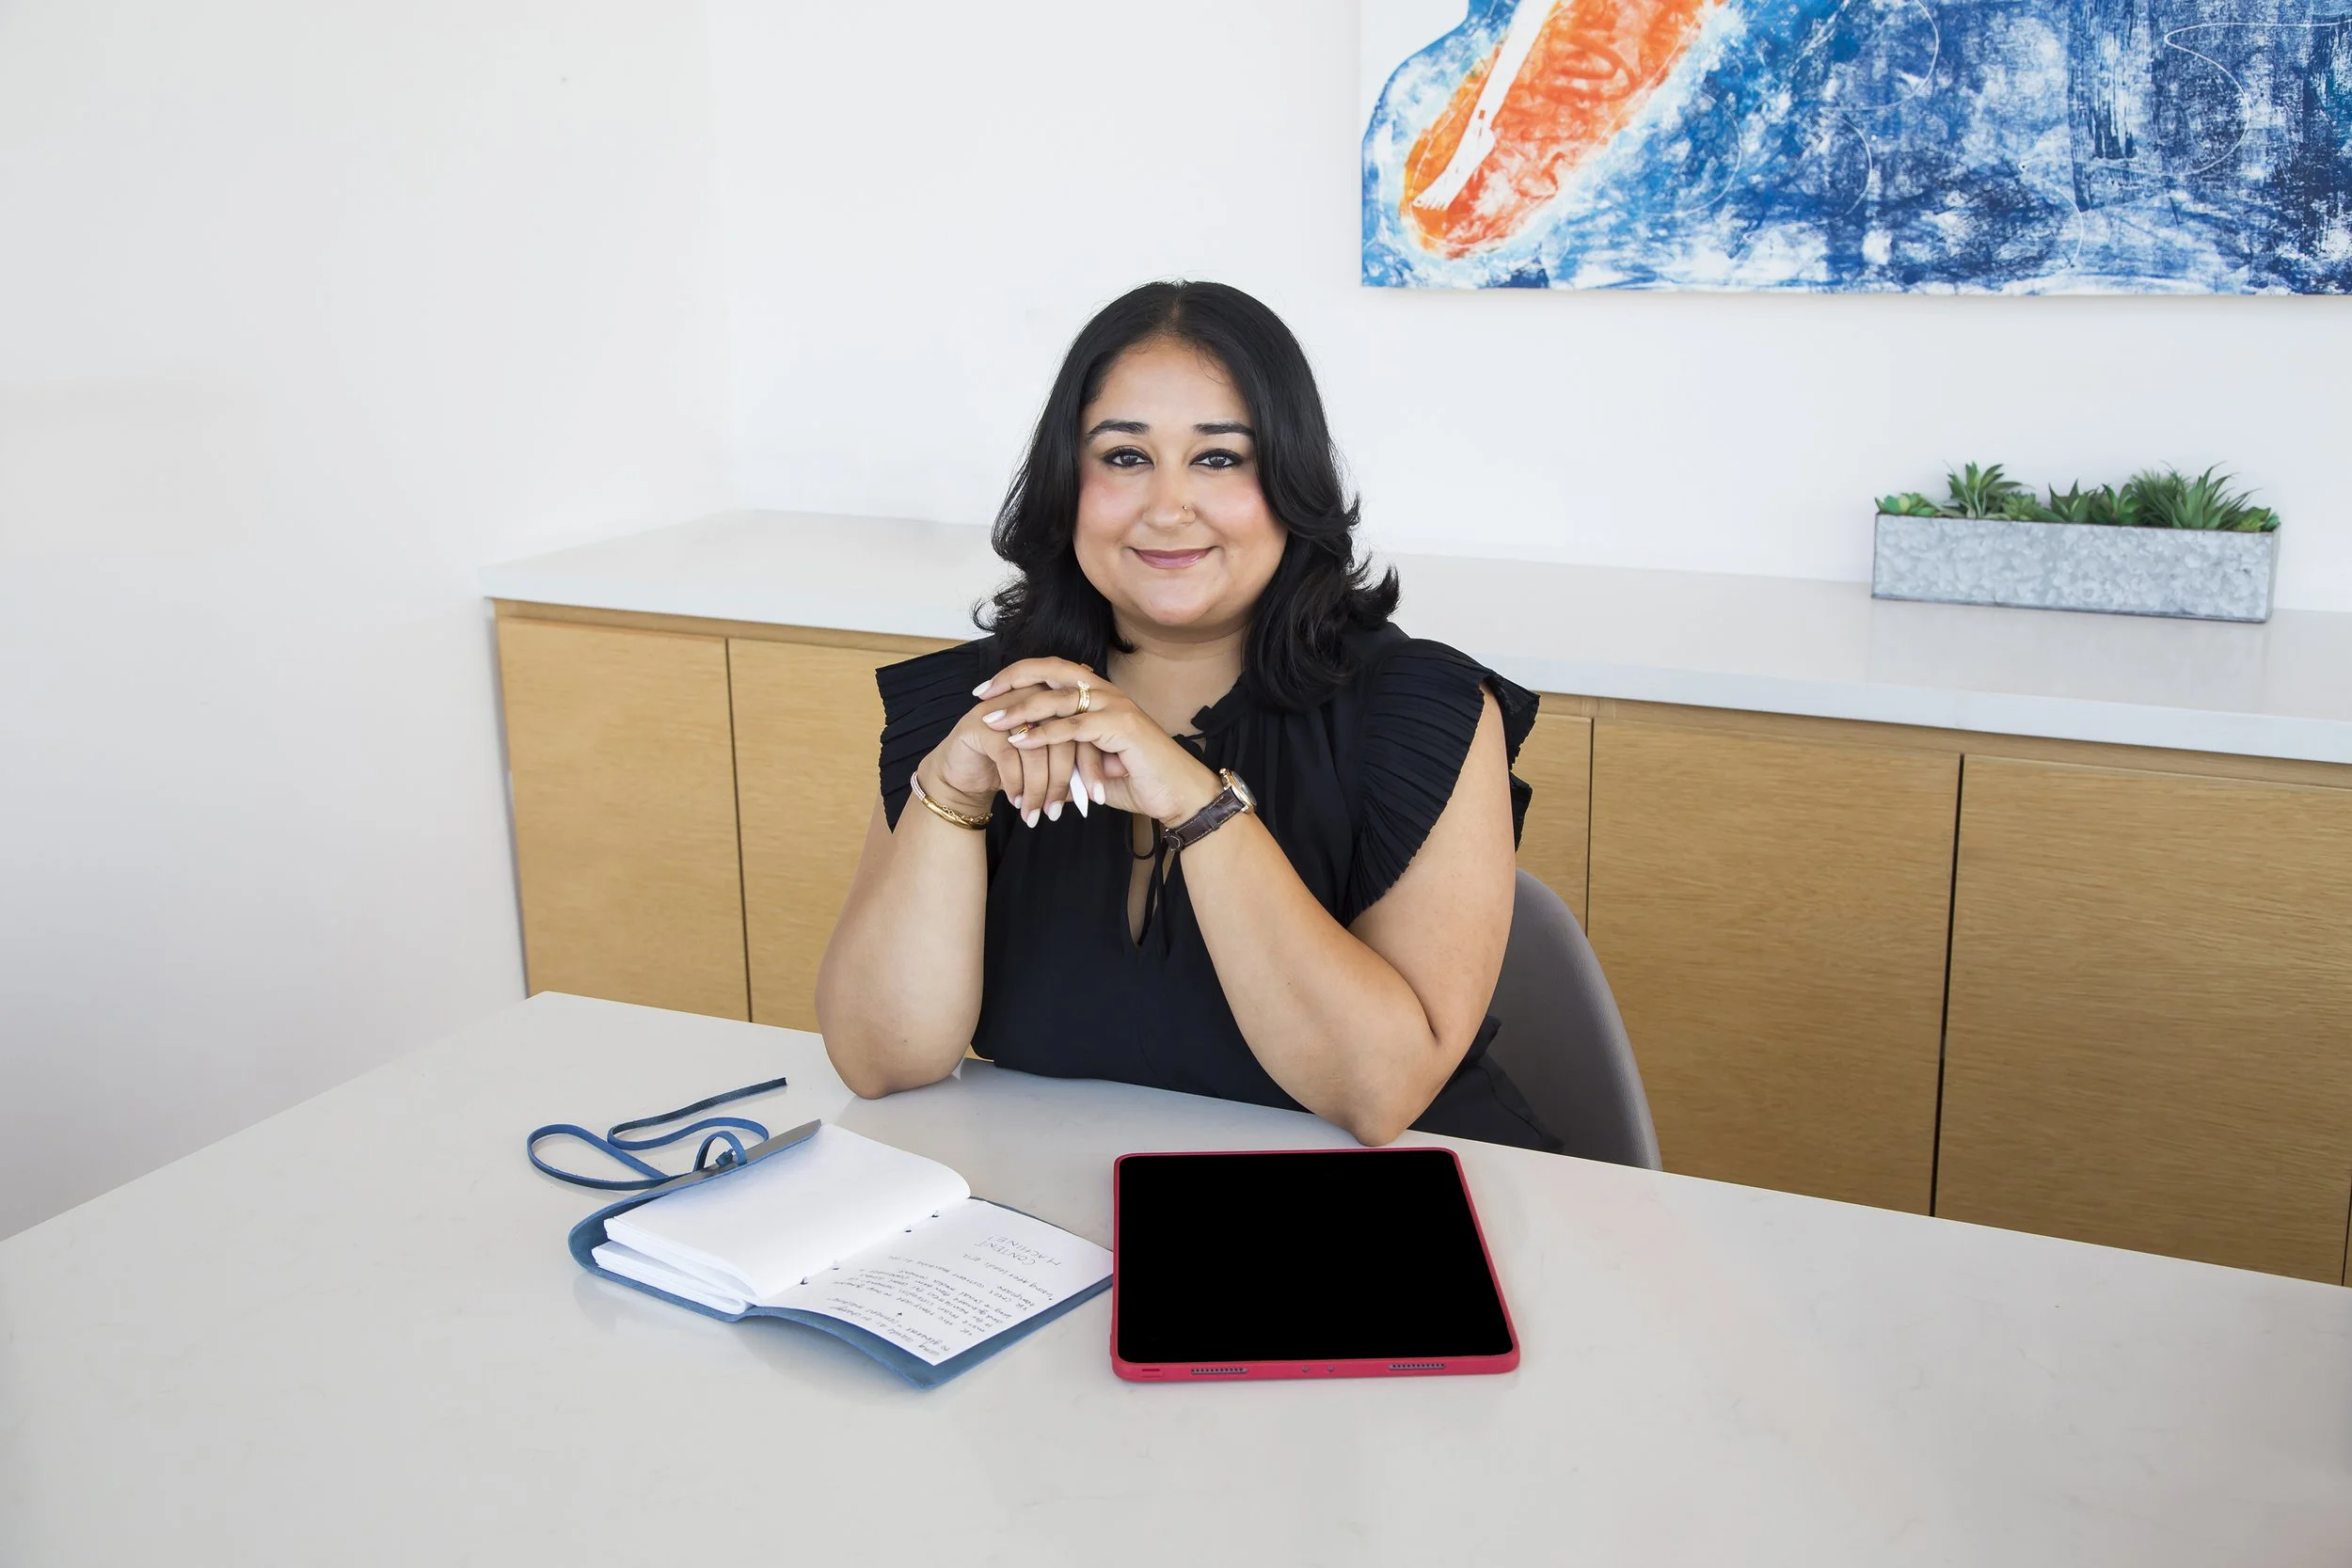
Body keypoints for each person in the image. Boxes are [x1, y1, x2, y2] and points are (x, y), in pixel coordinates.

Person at [816, 280, 1557, 1151]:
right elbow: (880, 1059)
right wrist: (950, 789)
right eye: (1125, 457)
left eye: (1219, 458)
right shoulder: (978, 708)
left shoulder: (1419, 713)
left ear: (1289, 478)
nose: (1168, 507)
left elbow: (1379, 1090)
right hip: (1063, 1213)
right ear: (1069, 481)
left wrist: (1196, 803)